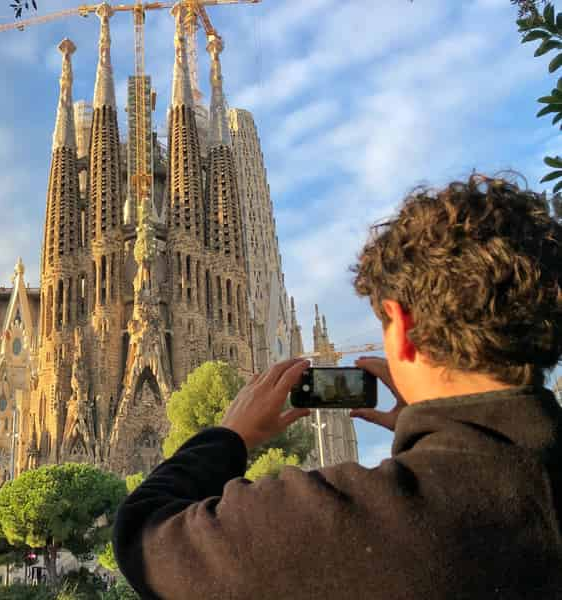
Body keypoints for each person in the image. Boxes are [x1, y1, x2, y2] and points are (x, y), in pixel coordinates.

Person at [113, 174, 562, 599]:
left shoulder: (360, 522)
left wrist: (229, 436)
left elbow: (147, 537)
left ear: (402, 327)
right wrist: (439, 432)